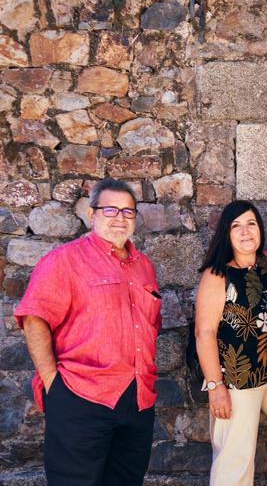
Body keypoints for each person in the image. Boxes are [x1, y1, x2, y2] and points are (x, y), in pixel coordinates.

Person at [15, 178, 160, 486]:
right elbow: (34, 319)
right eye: (110, 209)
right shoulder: (64, 260)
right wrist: (54, 383)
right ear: (91, 214)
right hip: (81, 396)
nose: (119, 218)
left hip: (137, 400)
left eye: (127, 211)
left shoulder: (144, 266)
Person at [194, 200, 267, 486]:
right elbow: (204, 332)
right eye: (237, 226)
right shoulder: (217, 275)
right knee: (236, 458)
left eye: (251, 224)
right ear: (227, 234)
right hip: (237, 380)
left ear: (260, 228)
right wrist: (215, 386)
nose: (245, 232)